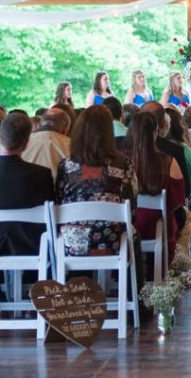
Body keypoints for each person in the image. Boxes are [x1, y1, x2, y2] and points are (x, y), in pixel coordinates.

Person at [0, 112, 55, 301]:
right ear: (27, 142)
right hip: (32, 245)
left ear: (0, 135)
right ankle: (35, 294)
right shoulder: (41, 175)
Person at [55, 105, 144, 285]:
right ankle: (135, 301)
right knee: (133, 237)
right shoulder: (123, 164)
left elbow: (59, 201)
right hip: (111, 241)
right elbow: (132, 208)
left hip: (72, 244)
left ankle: (76, 292)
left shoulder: (66, 166)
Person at [126, 111, 186, 271]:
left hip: (126, 227)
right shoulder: (168, 161)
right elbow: (178, 200)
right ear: (155, 133)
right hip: (156, 227)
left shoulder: (119, 162)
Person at [21, 108, 72, 182]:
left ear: (39, 124)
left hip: (25, 190)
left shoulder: (22, 142)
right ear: (65, 128)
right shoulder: (72, 145)